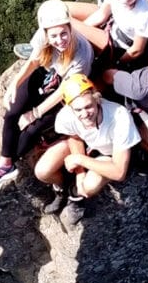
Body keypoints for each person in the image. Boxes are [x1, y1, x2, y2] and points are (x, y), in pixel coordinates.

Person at [0, 0, 95, 185]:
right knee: (11, 112)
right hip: (48, 72)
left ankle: (10, 162)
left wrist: (35, 113)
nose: (59, 41)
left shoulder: (81, 54)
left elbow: (63, 90)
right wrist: (14, 83)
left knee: (31, 129)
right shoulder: (44, 34)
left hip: (70, 88)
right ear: (46, 33)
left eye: (63, 34)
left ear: (70, 28)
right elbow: (34, 61)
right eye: (54, 36)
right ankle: (5, 161)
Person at [34, 73, 141, 226]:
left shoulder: (119, 116)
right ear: (68, 105)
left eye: (89, 106)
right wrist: (80, 173)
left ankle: (75, 194)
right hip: (87, 144)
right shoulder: (66, 115)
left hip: (109, 153)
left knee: (89, 186)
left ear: (97, 98)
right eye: (78, 110)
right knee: (42, 171)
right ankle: (62, 189)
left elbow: (119, 172)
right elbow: (74, 136)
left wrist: (80, 160)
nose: (85, 114)